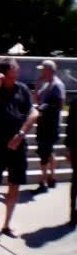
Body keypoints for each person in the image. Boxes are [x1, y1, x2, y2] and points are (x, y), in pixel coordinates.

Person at [0, 58, 38, 238]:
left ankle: (7, 224)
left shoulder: (23, 89)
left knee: (15, 184)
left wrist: (21, 134)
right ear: (3, 75)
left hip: (18, 144)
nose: (15, 78)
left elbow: (34, 112)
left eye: (16, 75)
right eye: (11, 76)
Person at [32, 60, 65, 195]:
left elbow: (60, 105)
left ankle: (43, 181)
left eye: (43, 70)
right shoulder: (46, 85)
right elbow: (36, 100)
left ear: (49, 70)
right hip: (44, 124)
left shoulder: (57, 85)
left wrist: (44, 108)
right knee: (48, 151)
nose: (41, 72)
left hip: (50, 125)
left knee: (44, 153)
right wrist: (37, 85)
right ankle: (52, 177)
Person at [66, 97, 77, 227]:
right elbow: (70, 128)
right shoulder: (75, 104)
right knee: (75, 182)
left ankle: (73, 213)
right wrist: (68, 150)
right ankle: (73, 213)